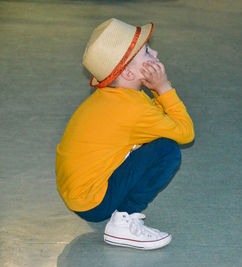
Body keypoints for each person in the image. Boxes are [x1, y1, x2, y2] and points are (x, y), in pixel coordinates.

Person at [55, 18, 195, 250]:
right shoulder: (133, 108)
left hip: (78, 194)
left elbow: (160, 123)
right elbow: (185, 132)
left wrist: (156, 92)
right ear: (129, 75)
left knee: (152, 140)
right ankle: (123, 221)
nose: (156, 52)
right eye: (147, 52)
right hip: (93, 203)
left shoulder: (115, 97)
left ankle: (117, 211)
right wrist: (163, 89)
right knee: (166, 150)